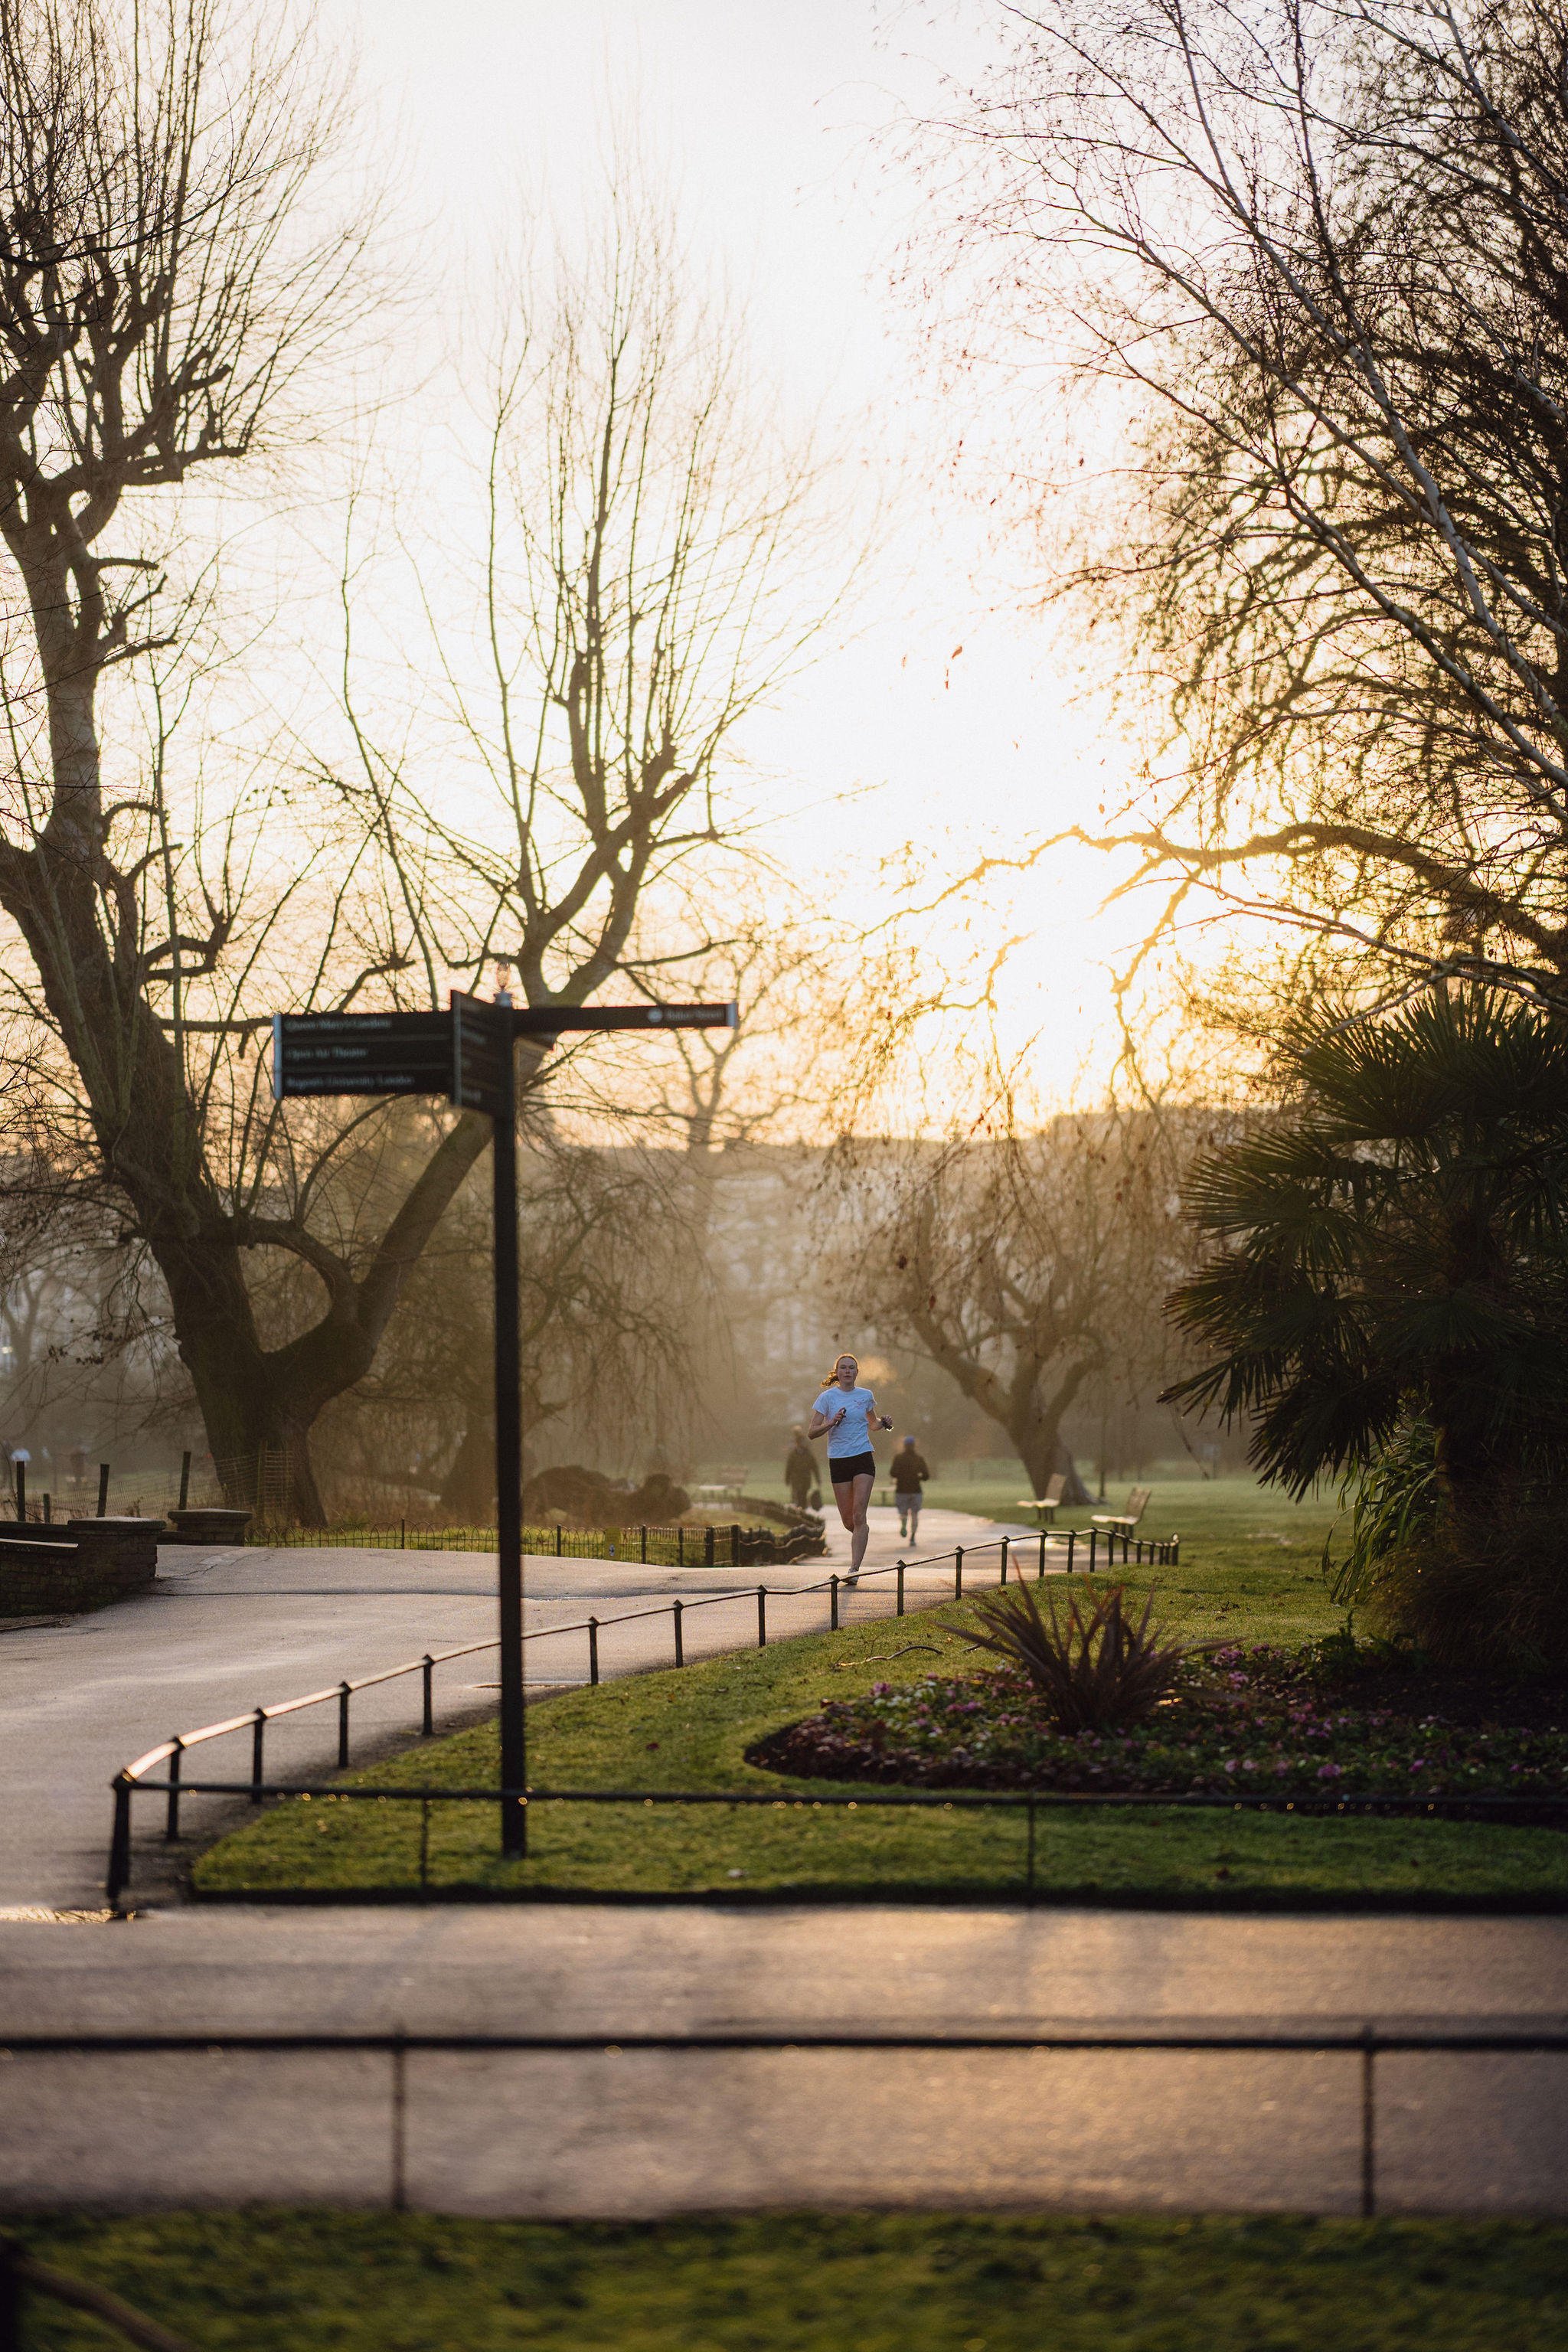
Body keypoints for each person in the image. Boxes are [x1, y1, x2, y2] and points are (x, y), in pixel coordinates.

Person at [807, 1352, 892, 1583]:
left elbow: (872, 1424)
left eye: (851, 1368)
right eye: (843, 1368)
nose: (847, 1371)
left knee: (858, 1514)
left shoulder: (865, 1396)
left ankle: (854, 1570)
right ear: (836, 1372)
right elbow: (812, 1432)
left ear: (856, 1372)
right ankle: (861, 1533)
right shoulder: (827, 1398)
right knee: (849, 1521)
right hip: (838, 1460)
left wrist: (883, 1424)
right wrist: (831, 1422)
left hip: (863, 1456)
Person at [892, 1434, 931, 1542]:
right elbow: (926, 1475)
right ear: (914, 1446)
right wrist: (919, 1476)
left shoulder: (898, 1458)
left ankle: (904, 1525)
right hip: (916, 1490)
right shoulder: (919, 1459)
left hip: (901, 1490)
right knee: (915, 1513)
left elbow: (893, 1473)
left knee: (903, 1512)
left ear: (904, 1445)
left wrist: (902, 1474)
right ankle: (913, 1535)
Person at [783, 1425, 815, 1511]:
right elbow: (789, 1466)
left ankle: (801, 1509)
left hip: (803, 1477)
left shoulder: (803, 1452)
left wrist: (787, 1478)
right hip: (798, 1477)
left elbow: (814, 1465)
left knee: (802, 1494)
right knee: (798, 1494)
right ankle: (800, 1509)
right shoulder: (796, 1452)